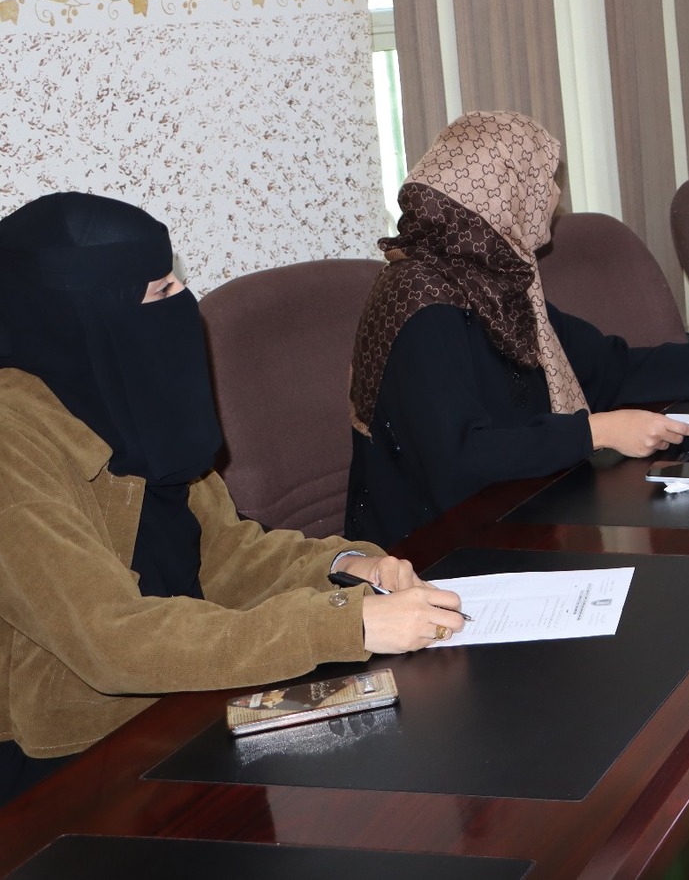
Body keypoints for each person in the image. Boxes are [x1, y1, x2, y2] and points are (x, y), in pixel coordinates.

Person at [0, 193, 463, 808]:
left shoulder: (129, 398)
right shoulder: (13, 444)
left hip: (191, 698)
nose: (182, 305)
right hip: (75, 764)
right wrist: (344, 624)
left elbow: (223, 552)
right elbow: (109, 639)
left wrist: (347, 567)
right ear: (80, 314)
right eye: (160, 292)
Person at [345, 112, 689, 549]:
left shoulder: (495, 278)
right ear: (503, 193)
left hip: (517, 506)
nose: (555, 195)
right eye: (542, 178)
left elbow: (608, 367)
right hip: (431, 549)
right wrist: (595, 433)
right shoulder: (418, 302)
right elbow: (458, 459)